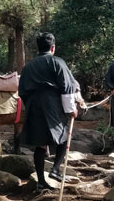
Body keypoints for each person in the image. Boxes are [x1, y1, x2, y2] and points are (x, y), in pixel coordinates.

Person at [18, 33, 79, 192]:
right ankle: (55, 169)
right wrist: (71, 109)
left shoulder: (28, 66)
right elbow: (67, 87)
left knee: (41, 144)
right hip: (52, 103)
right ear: (53, 47)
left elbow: (22, 91)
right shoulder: (57, 62)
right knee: (64, 137)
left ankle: (40, 181)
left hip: (33, 104)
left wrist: (30, 105)